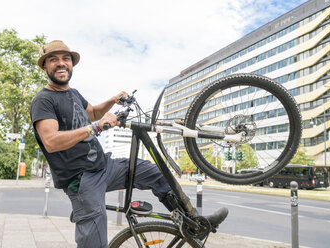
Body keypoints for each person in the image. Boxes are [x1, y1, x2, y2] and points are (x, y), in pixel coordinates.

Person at [30, 40, 228, 247]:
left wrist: (112, 100)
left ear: (72, 64)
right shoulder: (43, 100)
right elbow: (51, 141)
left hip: (104, 167)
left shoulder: (73, 93)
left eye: (66, 59)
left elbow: (94, 112)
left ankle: (193, 221)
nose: (61, 63)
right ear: (45, 66)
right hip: (82, 180)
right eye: (53, 60)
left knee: (155, 173)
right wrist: (96, 127)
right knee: (95, 240)